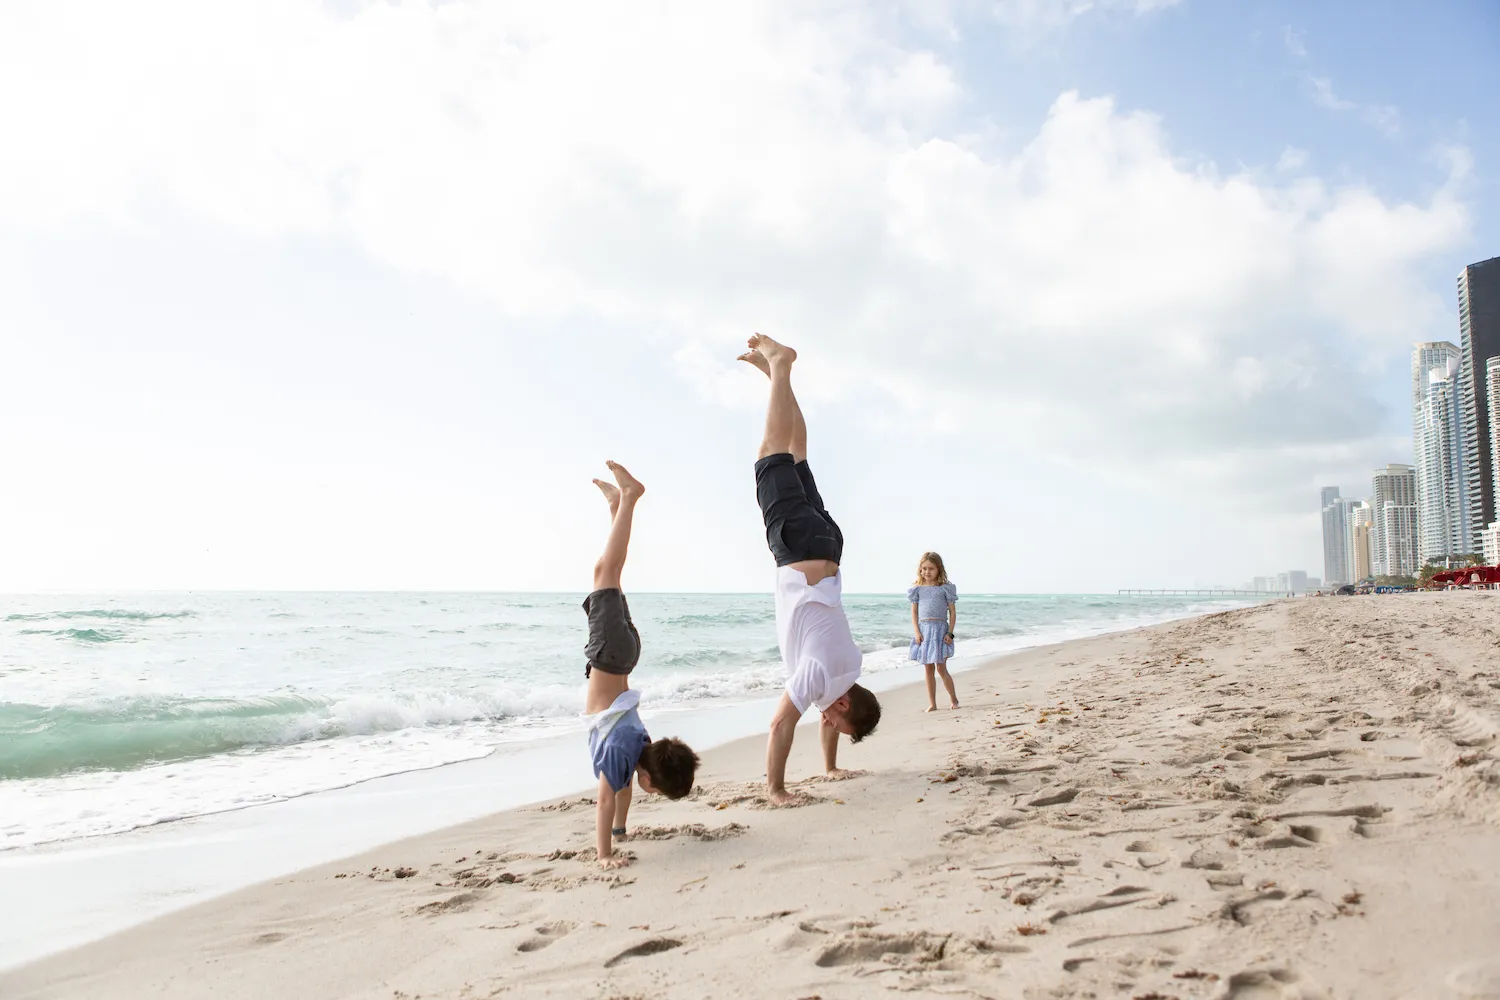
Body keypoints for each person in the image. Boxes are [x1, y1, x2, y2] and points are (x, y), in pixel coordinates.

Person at [738, 333, 881, 806]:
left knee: (796, 457)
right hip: (797, 549)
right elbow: (782, 723)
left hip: (831, 548)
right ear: (842, 705)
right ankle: (781, 366)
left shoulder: (850, 669)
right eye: (837, 723)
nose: (831, 725)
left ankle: (778, 376)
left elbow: (829, 708)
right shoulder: (818, 678)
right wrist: (776, 790)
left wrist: (830, 767)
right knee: (770, 456)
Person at [582, 461, 700, 869]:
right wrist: (604, 856)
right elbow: (605, 798)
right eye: (657, 791)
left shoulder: (639, 747)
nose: (648, 791)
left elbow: (621, 792)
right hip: (610, 654)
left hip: (624, 654)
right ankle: (630, 498)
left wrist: (620, 832)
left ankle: (617, 507)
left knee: (612, 576)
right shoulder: (621, 752)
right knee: (605, 571)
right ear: (649, 777)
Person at [909, 552, 959, 711]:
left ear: (939, 569)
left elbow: (952, 612)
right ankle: (933, 703)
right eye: (924, 568)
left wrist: (950, 633)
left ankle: (954, 700)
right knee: (928, 668)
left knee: (941, 668)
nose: (927, 572)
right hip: (924, 631)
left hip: (940, 631)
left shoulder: (945, 589)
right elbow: (914, 613)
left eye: (931, 568)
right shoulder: (917, 590)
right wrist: (917, 631)